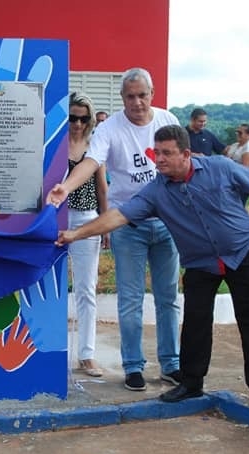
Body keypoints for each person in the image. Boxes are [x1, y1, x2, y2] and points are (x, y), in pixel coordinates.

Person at [55, 125, 249, 409]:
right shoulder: (156, 191)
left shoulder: (220, 167)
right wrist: (76, 234)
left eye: (166, 153)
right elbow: (118, 215)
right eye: (156, 152)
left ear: (186, 154)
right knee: (195, 324)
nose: (158, 159)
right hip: (201, 262)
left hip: (242, 252)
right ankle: (191, 384)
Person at [48, 67, 181, 392]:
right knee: (131, 299)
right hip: (127, 224)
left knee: (168, 298)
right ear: (122, 98)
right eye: (130, 96)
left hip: (167, 223)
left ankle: (171, 364)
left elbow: (183, 163)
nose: (137, 102)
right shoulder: (110, 128)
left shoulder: (168, 121)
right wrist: (65, 188)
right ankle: (133, 366)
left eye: (142, 95)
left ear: (152, 94)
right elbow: (91, 163)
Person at [65, 92, 108, 377]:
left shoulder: (95, 146)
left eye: (83, 118)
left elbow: (102, 187)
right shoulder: (55, 143)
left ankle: (87, 354)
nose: (78, 123)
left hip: (86, 219)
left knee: (86, 289)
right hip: (56, 218)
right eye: (73, 117)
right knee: (49, 287)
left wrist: (105, 223)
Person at [225, 123, 249, 205]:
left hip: (242, 183)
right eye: (237, 132)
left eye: (240, 133)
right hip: (232, 181)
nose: (237, 134)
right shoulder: (234, 145)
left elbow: (244, 169)